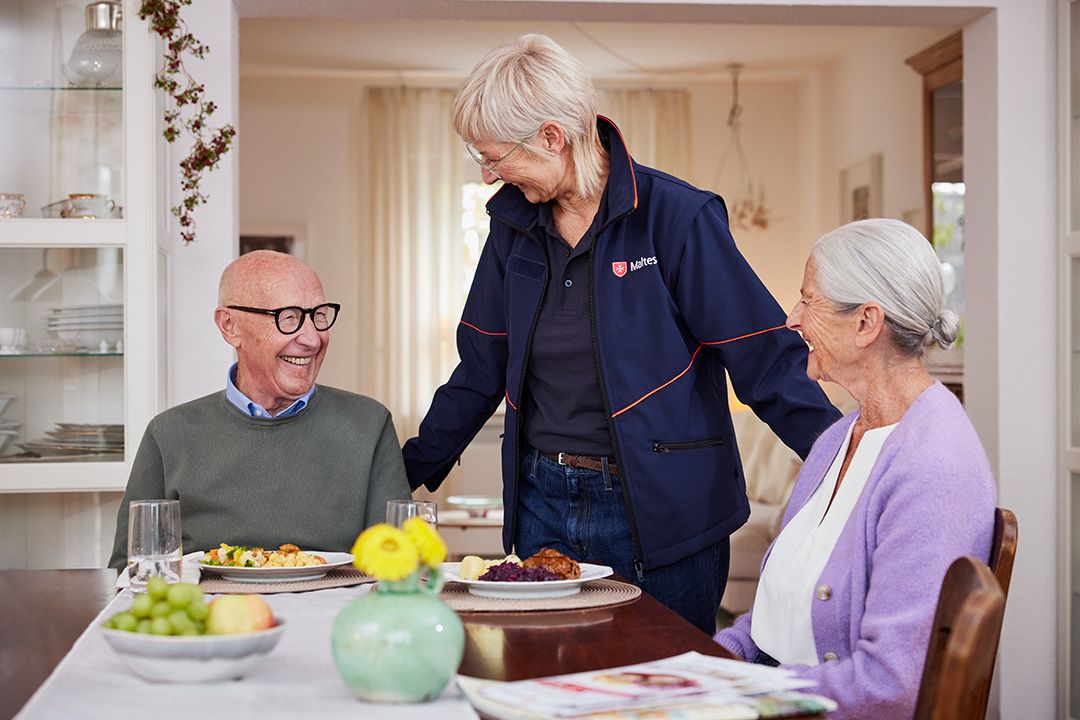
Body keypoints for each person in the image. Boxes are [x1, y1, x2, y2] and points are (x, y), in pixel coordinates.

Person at [402, 34, 839, 633]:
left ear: (552, 137)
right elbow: (480, 368)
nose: (487, 177)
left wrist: (847, 463)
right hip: (541, 503)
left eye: (496, 158)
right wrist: (400, 474)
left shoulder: (677, 218)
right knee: (543, 682)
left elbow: (764, 359)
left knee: (664, 683)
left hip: (663, 512)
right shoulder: (512, 227)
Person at [714, 219, 996, 718]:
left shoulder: (932, 466)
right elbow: (775, 619)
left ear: (866, 322)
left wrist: (748, 690)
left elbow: (890, 684)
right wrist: (711, 665)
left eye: (809, 301)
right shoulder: (839, 438)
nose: (792, 320)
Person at [109, 251, 410, 569]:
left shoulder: (369, 424)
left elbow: (401, 568)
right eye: (288, 317)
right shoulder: (168, 434)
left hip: (335, 615)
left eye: (319, 315)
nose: (311, 338)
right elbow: (132, 571)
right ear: (229, 326)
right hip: (211, 616)